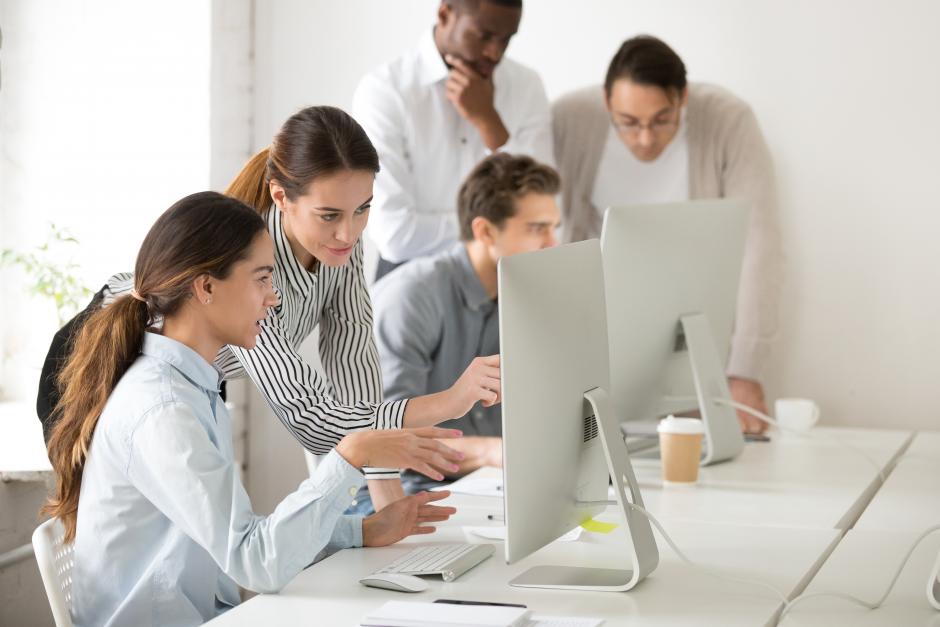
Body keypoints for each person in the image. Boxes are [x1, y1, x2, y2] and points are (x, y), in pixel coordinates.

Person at [38, 106, 500, 511]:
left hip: (191, 386)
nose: (350, 232)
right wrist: (448, 401)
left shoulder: (340, 245)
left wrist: (387, 499)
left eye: (363, 209)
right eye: (329, 215)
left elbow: (353, 363)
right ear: (281, 197)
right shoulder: (254, 269)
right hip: (93, 370)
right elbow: (315, 423)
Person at [42, 192, 462, 627]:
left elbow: (239, 538)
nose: (274, 298)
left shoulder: (195, 389)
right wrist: (351, 455)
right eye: (262, 278)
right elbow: (255, 560)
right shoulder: (164, 410)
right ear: (205, 288)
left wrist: (362, 532)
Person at [552, 35, 783, 433]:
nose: (645, 138)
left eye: (662, 120)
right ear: (607, 102)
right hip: (596, 342)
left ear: (683, 99)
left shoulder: (728, 119)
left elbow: (758, 245)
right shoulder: (569, 118)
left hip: (692, 338)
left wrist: (746, 369)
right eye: (628, 123)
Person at [353, 153, 560, 512]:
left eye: (553, 227)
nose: (552, 243)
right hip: (399, 495)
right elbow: (387, 439)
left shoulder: (525, 292)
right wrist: (493, 451)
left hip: (487, 489)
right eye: (536, 228)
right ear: (484, 230)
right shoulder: (413, 297)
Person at [352, 0, 553, 280]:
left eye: (507, 39)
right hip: (411, 281)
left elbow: (541, 207)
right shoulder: (385, 92)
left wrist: (490, 123)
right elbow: (394, 233)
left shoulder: (526, 86)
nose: (495, 52)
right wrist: (497, 230)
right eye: (484, 35)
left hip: (505, 281)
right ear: (445, 14)